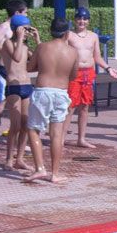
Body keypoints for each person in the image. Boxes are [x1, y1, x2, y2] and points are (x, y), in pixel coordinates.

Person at [24, 18, 79, 183]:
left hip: (43, 92)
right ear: (67, 33)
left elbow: (29, 67)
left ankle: (40, 168)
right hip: (61, 92)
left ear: (51, 31)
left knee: (33, 129)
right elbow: (73, 75)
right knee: (56, 134)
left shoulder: (42, 47)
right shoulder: (73, 52)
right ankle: (55, 174)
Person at [62, 7, 117, 149]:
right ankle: (61, 139)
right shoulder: (68, 35)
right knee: (70, 107)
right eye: (79, 18)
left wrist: (108, 68)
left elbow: (97, 57)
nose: (82, 21)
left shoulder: (93, 36)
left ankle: (81, 139)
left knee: (85, 107)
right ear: (75, 20)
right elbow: (61, 53)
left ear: (88, 21)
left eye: (85, 19)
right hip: (74, 74)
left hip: (88, 73)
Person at [0, 15, 39, 171]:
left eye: (28, 29)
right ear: (16, 29)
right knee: (15, 126)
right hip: (13, 88)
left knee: (25, 125)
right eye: (24, 29)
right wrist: (20, 38)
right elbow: (16, 58)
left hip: (26, 87)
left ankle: (20, 159)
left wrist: (37, 40)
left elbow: (40, 59)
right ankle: (9, 159)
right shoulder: (7, 43)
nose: (27, 32)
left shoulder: (26, 47)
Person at [0, 0, 29, 131]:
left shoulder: (21, 27)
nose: (27, 16)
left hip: (17, 74)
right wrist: (7, 48)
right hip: (4, 71)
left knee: (19, 109)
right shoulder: (4, 27)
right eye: (25, 13)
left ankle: (17, 139)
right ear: (17, 13)